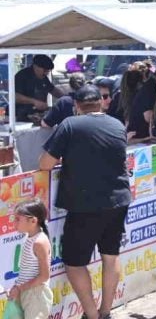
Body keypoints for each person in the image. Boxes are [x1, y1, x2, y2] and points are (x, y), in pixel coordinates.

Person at [39, 85, 131, 317]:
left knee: (74, 262)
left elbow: (45, 164)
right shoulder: (117, 124)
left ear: (76, 106)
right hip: (118, 199)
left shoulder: (70, 124)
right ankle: (106, 311)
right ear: (100, 102)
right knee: (111, 257)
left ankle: (91, 315)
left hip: (85, 204)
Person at [10, 199, 52, 319]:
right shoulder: (30, 238)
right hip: (27, 291)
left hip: (36, 294)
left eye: (18, 219)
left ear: (33, 220)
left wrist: (19, 288)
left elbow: (44, 276)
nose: (14, 223)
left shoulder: (39, 242)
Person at [14, 55, 60, 122]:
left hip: (39, 115)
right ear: (35, 66)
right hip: (22, 116)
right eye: (45, 70)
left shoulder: (44, 77)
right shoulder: (21, 76)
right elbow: (15, 97)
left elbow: (52, 90)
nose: (46, 73)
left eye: (48, 71)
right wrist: (34, 102)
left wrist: (65, 97)